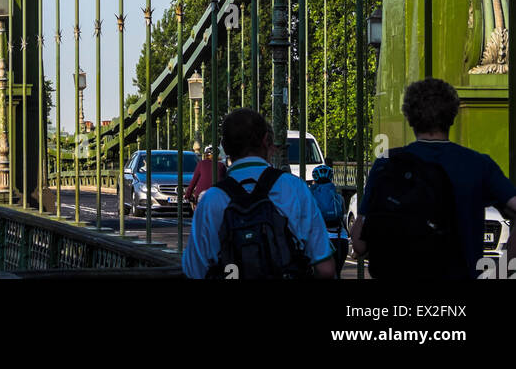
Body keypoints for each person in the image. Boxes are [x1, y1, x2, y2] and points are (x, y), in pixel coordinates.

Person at [352, 77, 516, 280]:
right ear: (452, 116)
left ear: (410, 118)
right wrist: (502, 269)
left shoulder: (387, 163)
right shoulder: (478, 164)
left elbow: (359, 244)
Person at [182, 109, 335, 279]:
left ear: (224, 147)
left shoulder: (211, 199)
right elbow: (325, 268)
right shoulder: (294, 188)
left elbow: (194, 271)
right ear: (266, 141)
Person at [309, 160, 349, 276]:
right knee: (337, 272)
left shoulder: (310, 195)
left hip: (321, 240)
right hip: (340, 238)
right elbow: (342, 216)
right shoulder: (338, 197)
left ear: (315, 179)